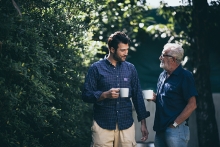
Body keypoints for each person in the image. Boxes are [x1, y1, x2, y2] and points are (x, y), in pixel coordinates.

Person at [82, 31, 150, 147]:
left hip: (126, 124)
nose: (126, 53)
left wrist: (143, 123)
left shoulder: (130, 69)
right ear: (112, 49)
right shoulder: (96, 68)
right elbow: (86, 95)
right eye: (122, 50)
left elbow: (137, 96)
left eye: (127, 49)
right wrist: (104, 95)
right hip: (103, 124)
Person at [151, 43, 198, 147]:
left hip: (176, 130)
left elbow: (192, 104)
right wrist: (156, 98)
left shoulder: (185, 76)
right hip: (160, 129)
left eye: (163, 55)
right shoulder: (162, 75)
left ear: (173, 59)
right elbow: (169, 100)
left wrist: (175, 124)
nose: (160, 58)